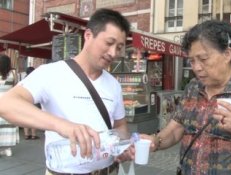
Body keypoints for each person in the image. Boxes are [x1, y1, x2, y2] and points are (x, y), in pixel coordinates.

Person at [0, 8, 133, 174]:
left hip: (108, 170)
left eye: (119, 47)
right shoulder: (50, 73)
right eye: (109, 43)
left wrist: (123, 146)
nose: (113, 53)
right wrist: (62, 126)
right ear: (88, 35)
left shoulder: (114, 85)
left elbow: (120, 126)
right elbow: (6, 104)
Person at [141, 20, 231, 175]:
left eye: (203, 59)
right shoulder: (193, 87)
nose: (197, 68)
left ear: (227, 54)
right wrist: (156, 141)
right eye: (191, 61)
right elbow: (176, 128)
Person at [0, 54, 19, 157]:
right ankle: (7, 148)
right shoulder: (12, 73)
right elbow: (15, 86)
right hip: (8, 101)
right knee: (8, 125)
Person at [23, 66, 40, 140]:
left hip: (25, 100)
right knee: (34, 117)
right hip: (34, 100)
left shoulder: (24, 80)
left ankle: (26, 134)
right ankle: (33, 135)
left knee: (25, 117)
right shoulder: (36, 80)